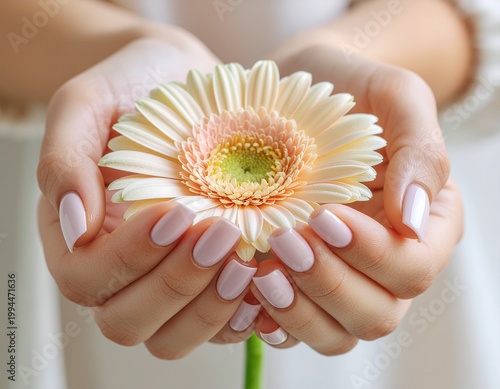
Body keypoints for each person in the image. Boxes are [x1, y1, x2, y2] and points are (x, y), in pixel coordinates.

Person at [0, 0, 498, 388]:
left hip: (367, 190)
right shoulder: (135, 164)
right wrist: (102, 51)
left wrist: (367, 56)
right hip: (105, 169)